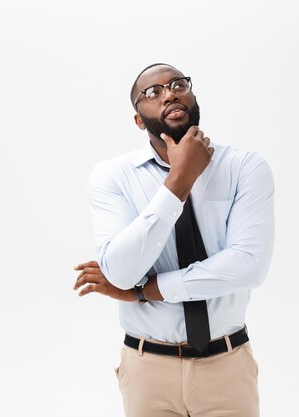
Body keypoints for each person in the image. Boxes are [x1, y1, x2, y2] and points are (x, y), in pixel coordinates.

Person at [74, 63, 275, 417]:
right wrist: (179, 182)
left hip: (227, 366)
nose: (169, 93)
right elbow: (120, 271)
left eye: (178, 84)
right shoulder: (112, 177)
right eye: (152, 92)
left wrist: (144, 291)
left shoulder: (245, 167)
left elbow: (248, 266)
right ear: (139, 120)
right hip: (148, 368)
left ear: (193, 98)